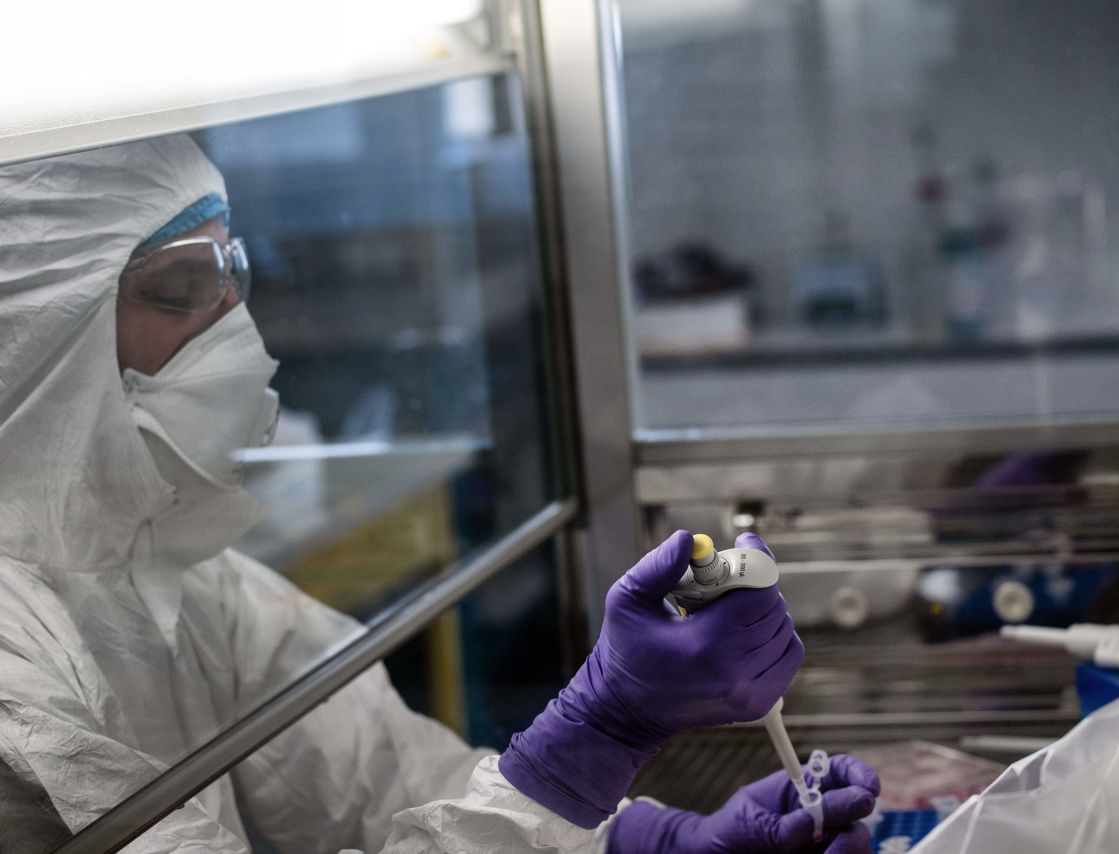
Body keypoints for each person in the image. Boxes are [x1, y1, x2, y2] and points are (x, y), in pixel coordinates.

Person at [0, 135, 879, 853]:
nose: (238, 333)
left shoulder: (169, 567)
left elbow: (386, 783)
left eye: (236, 280)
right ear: (37, 337)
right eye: (181, 291)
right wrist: (592, 742)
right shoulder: (15, 663)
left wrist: (644, 840)